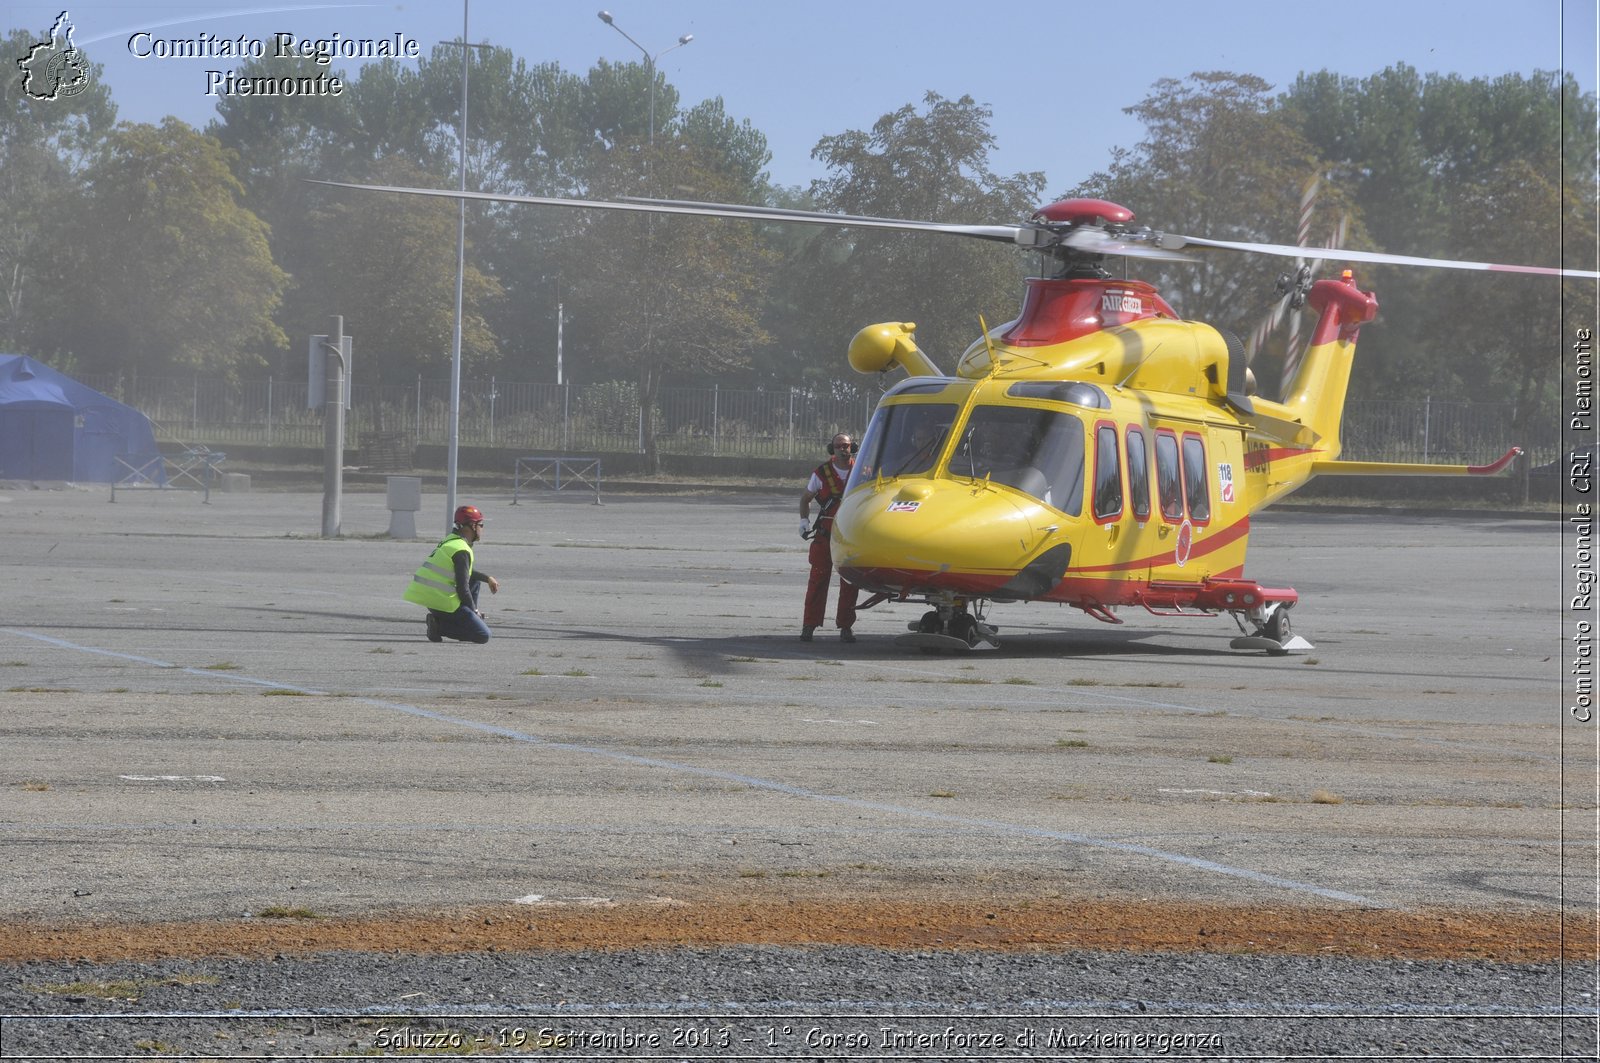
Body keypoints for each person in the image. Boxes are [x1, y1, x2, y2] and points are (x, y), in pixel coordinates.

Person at [403, 504, 500, 644]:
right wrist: (475, 611)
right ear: (472, 526)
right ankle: (439, 627)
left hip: (431, 599)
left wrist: (487, 578)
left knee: (475, 580)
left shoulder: (451, 541)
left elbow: (466, 573)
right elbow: (463, 587)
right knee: (482, 635)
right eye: (481, 524)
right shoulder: (462, 550)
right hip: (442, 602)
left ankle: (458, 620)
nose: (482, 528)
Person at [798, 432, 860, 643]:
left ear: (853, 448)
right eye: (839, 446)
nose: (843, 449)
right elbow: (805, 499)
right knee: (817, 579)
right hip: (825, 536)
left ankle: (845, 626)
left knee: (850, 583)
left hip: (850, 537)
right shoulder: (821, 473)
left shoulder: (863, 470)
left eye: (847, 446)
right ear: (831, 449)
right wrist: (804, 522)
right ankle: (809, 625)